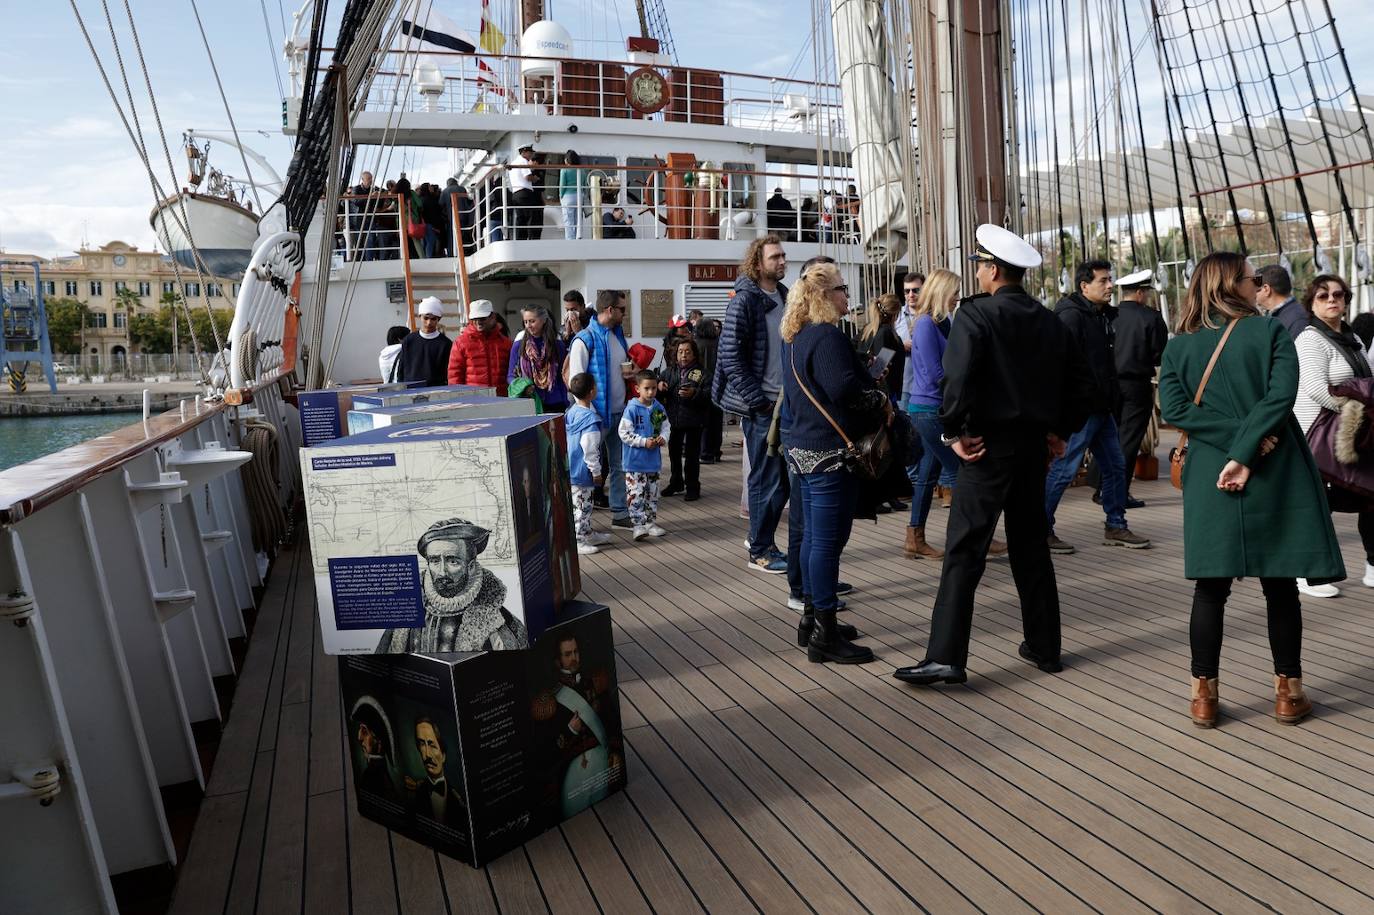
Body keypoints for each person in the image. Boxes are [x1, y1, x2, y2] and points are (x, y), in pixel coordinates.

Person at [894, 224, 1094, 686]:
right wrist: (1058, 432)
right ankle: (1045, 649)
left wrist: (952, 434)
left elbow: (957, 381)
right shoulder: (1050, 320)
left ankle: (946, 656)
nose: (979, 274)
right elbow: (1084, 386)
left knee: (964, 551)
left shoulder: (975, 316)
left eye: (981, 266)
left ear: (992, 270)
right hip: (1031, 451)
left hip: (984, 449)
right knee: (1030, 548)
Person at [1159, 252, 1342, 727]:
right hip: (1273, 466)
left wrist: (1230, 446)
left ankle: (1204, 695)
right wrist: (1249, 447)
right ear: (1232, 285)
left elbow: (1174, 408)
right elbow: (1281, 397)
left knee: (1209, 589)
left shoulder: (1180, 347)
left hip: (1209, 471)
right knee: (1279, 585)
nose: (1257, 285)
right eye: (1252, 278)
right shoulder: (1269, 333)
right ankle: (1288, 692)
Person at [780, 261, 886, 664]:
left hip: (803, 448)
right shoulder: (827, 336)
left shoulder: (795, 335)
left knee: (812, 540)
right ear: (826, 296)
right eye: (842, 289)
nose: (848, 296)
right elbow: (843, 390)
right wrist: (878, 399)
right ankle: (824, 633)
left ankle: (813, 618)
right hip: (828, 452)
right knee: (826, 541)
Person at [1043, 260, 1151, 554]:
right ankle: (1041, 529)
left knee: (1116, 467)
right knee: (1064, 470)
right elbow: (1059, 366)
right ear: (1084, 286)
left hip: (1101, 407)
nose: (1109, 286)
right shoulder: (1071, 317)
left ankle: (1115, 524)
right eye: (1103, 281)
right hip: (1081, 410)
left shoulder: (1102, 316)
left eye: (1110, 280)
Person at [901, 268, 992, 560]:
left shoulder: (942, 322)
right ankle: (973, 540)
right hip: (930, 410)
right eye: (954, 292)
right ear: (943, 293)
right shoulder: (928, 324)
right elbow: (935, 373)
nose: (957, 297)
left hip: (932, 407)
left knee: (928, 476)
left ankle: (915, 538)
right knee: (963, 474)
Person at [1293, 272, 1374, 599]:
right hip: (1319, 435)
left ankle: (1373, 565)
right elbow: (1314, 388)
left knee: (1370, 498)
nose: (1332, 301)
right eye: (1324, 296)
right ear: (1311, 302)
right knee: (1319, 503)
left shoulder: (1353, 338)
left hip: (1354, 434)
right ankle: (1307, 574)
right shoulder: (1309, 339)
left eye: (1338, 295)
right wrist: (1358, 406)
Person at [714, 235, 790, 574]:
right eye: (775, 257)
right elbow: (729, 356)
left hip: (784, 403)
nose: (782, 261)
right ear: (758, 263)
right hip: (763, 407)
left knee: (783, 480)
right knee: (764, 479)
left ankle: (763, 539)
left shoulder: (786, 297)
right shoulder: (745, 301)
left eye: (783, 256)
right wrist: (757, 401)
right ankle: (759, 550)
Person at [375, 518, 529, 652]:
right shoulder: (405, 612)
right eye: (435, 561)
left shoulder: (496, 620)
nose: (442, 572)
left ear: (471, 566)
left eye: (452, 561)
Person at [567, 290, 635, 530]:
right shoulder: (584, 339)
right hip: (594, 417)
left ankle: (619, 512)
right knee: (584, 470)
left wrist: (630, 372)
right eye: (622, 310)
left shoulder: (616, 336)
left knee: (619, 465)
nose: (624, 315)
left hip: (619, 411)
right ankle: (580, 525)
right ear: (609, 310)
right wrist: (588, 415)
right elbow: (576, 380)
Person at [1108, 269, 1169, 507]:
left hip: (1110, 385)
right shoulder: (1151, 318)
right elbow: (1159, 355)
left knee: (1109, 436)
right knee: (1129, 440)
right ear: (1141, 293)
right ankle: (1118, 494)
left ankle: (1102, 486)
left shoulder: (1108, 316)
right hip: (1137, 385)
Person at [546, 633, 619, 817]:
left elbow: (611, 721)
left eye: (576, 652)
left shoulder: (595, 684)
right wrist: (570, 730)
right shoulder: (550, 700)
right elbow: (546, 750)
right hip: (574, 775)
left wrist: (616, 751)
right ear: (558, 661)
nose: (574, 658)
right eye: (567, 654)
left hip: (602, 762)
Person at [859, 293, 910, 515]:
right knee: (883, 448)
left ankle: (889, 494)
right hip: (886, 395)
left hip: (877, 394)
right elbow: (879, 368)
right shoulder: (886, 333)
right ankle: (880, 496)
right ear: (895, 313)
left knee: (883, 446)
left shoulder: (869, 331)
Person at [619, 370, 670, 541]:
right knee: (636, 494)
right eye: (646, 388)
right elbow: (624, 433)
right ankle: (638, 525)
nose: (650, 392)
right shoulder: (631, 409)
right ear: (637, 388)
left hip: (653, 462)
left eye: (654, 388)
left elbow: (665, 426)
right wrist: (643, 442)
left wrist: (663, 437)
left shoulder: (658, 407)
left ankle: (650, 523)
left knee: (652, 494)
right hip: (634, 463)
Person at [566, 373, 611, 555]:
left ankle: (587, 533)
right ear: (592, 391)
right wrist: (596, 471)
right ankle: (578, 539)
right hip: (584, 471)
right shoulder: (591, 420)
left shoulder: (571, 413)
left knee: (582, 503)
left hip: (572, 467)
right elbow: (590, 448)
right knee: (582, 505)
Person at [661, 338, 708, 500]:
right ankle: (676, 482)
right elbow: (657, 388)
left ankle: (693, 487)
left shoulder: (702, 373)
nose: (684, 355)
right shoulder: (669, 372)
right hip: (674, 420)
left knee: (691, 456)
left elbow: (710, 394)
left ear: (694, 354)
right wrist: (660, 387)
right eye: (681, 352)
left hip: (694, 420)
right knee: (673, 454)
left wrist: (694, 394)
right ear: (675, 354)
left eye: (688, 352)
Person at [507, 304, 568, 410]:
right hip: (529, 402)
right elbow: (510, 376)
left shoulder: (558, 345)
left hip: (555, 402)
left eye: (532, 321)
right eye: (526, 322)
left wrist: (565, 399)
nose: (528, 325)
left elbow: (563, 375)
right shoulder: (519, 346)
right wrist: (524, 386)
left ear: (543, 320)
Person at [448, 299, 513, 394]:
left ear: (493, 317)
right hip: (473, 399)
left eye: (482, 318)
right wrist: (458, 397)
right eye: (474, 319)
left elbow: (511, 373)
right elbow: (455, 375)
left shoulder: (505, 342)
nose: (478, 322)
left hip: (501, 398)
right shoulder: (461, 342)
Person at [412, 718, 464, 825]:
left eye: (432, 745)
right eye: (422, 744)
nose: (427, 755)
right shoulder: (415, 794)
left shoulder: (459, 801)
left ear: (443, 756)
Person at [394, 297, 453, 386]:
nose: (429, 322)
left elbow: (448, 371)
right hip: (411, 390)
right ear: (419, 317)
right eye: (426, 318)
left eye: (433, 319)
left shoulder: (445, 344)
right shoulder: (409, 340)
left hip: (436, 391)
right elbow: (401, 367)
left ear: (438, 319)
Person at [350, 696, 399, 801]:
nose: (359, 737)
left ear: (379, 742)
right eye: (360, 730)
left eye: (365, 731)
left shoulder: (376, 778)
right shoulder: (373, 774)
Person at [694, 316, 725, 464]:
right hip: (718, 386)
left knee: (703, 421)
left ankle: (705, 453)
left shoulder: (696, 345)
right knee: (717, 421)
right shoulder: (720, 344)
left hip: (702, 386)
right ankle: (716, 451)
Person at [1255, 263, 1309, 340]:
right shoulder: (1278, 316)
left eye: (1255, 289)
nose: (1252, 293)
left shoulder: (1297, 320)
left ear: (1266, 289)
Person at [509, 144, 543, 240]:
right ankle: (532, 240)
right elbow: (527, 177)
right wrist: (535, 178)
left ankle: (520, 240)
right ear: (524, 152)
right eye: (530, 153)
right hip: (525, 193)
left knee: (521, 219)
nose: (531, 155)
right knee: (531, 217)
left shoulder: (514, 162)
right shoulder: (523, 161)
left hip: (515, 194)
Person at [559, 150, 584, 240]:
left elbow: (562, 185)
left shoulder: (564, 170)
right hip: (580, 196)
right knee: (578, 219)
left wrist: (560, 196)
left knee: (568, 220)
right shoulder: (582, 170)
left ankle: (570, 240)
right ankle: (578, 238)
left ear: (567, 160)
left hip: (568, 197)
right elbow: (584, 184)